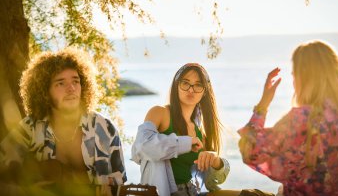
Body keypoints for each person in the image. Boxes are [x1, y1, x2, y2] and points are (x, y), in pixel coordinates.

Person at [238, 40, 338, 195]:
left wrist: (263, 104)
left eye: (295, 74)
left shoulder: (303, 120)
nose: (293, 82)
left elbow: (252, 151)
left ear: (304, 77)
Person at [0, 47, 127, 195]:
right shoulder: (30, 128)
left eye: (76, 81)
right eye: (60, 83)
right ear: (44, 91)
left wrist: (109, 188)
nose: (71, 88)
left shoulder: (105, 128)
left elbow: (120, 179)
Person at [131, 63, 230, 196]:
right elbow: (142, 148)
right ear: (176, 85)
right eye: (185, 83)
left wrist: (216, 161)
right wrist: (186, 143)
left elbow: (212, 182)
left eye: (198, 85)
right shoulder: (159, 113)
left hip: (193, 192)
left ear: (204, 91)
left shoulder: (200, 133)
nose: (191, 90)